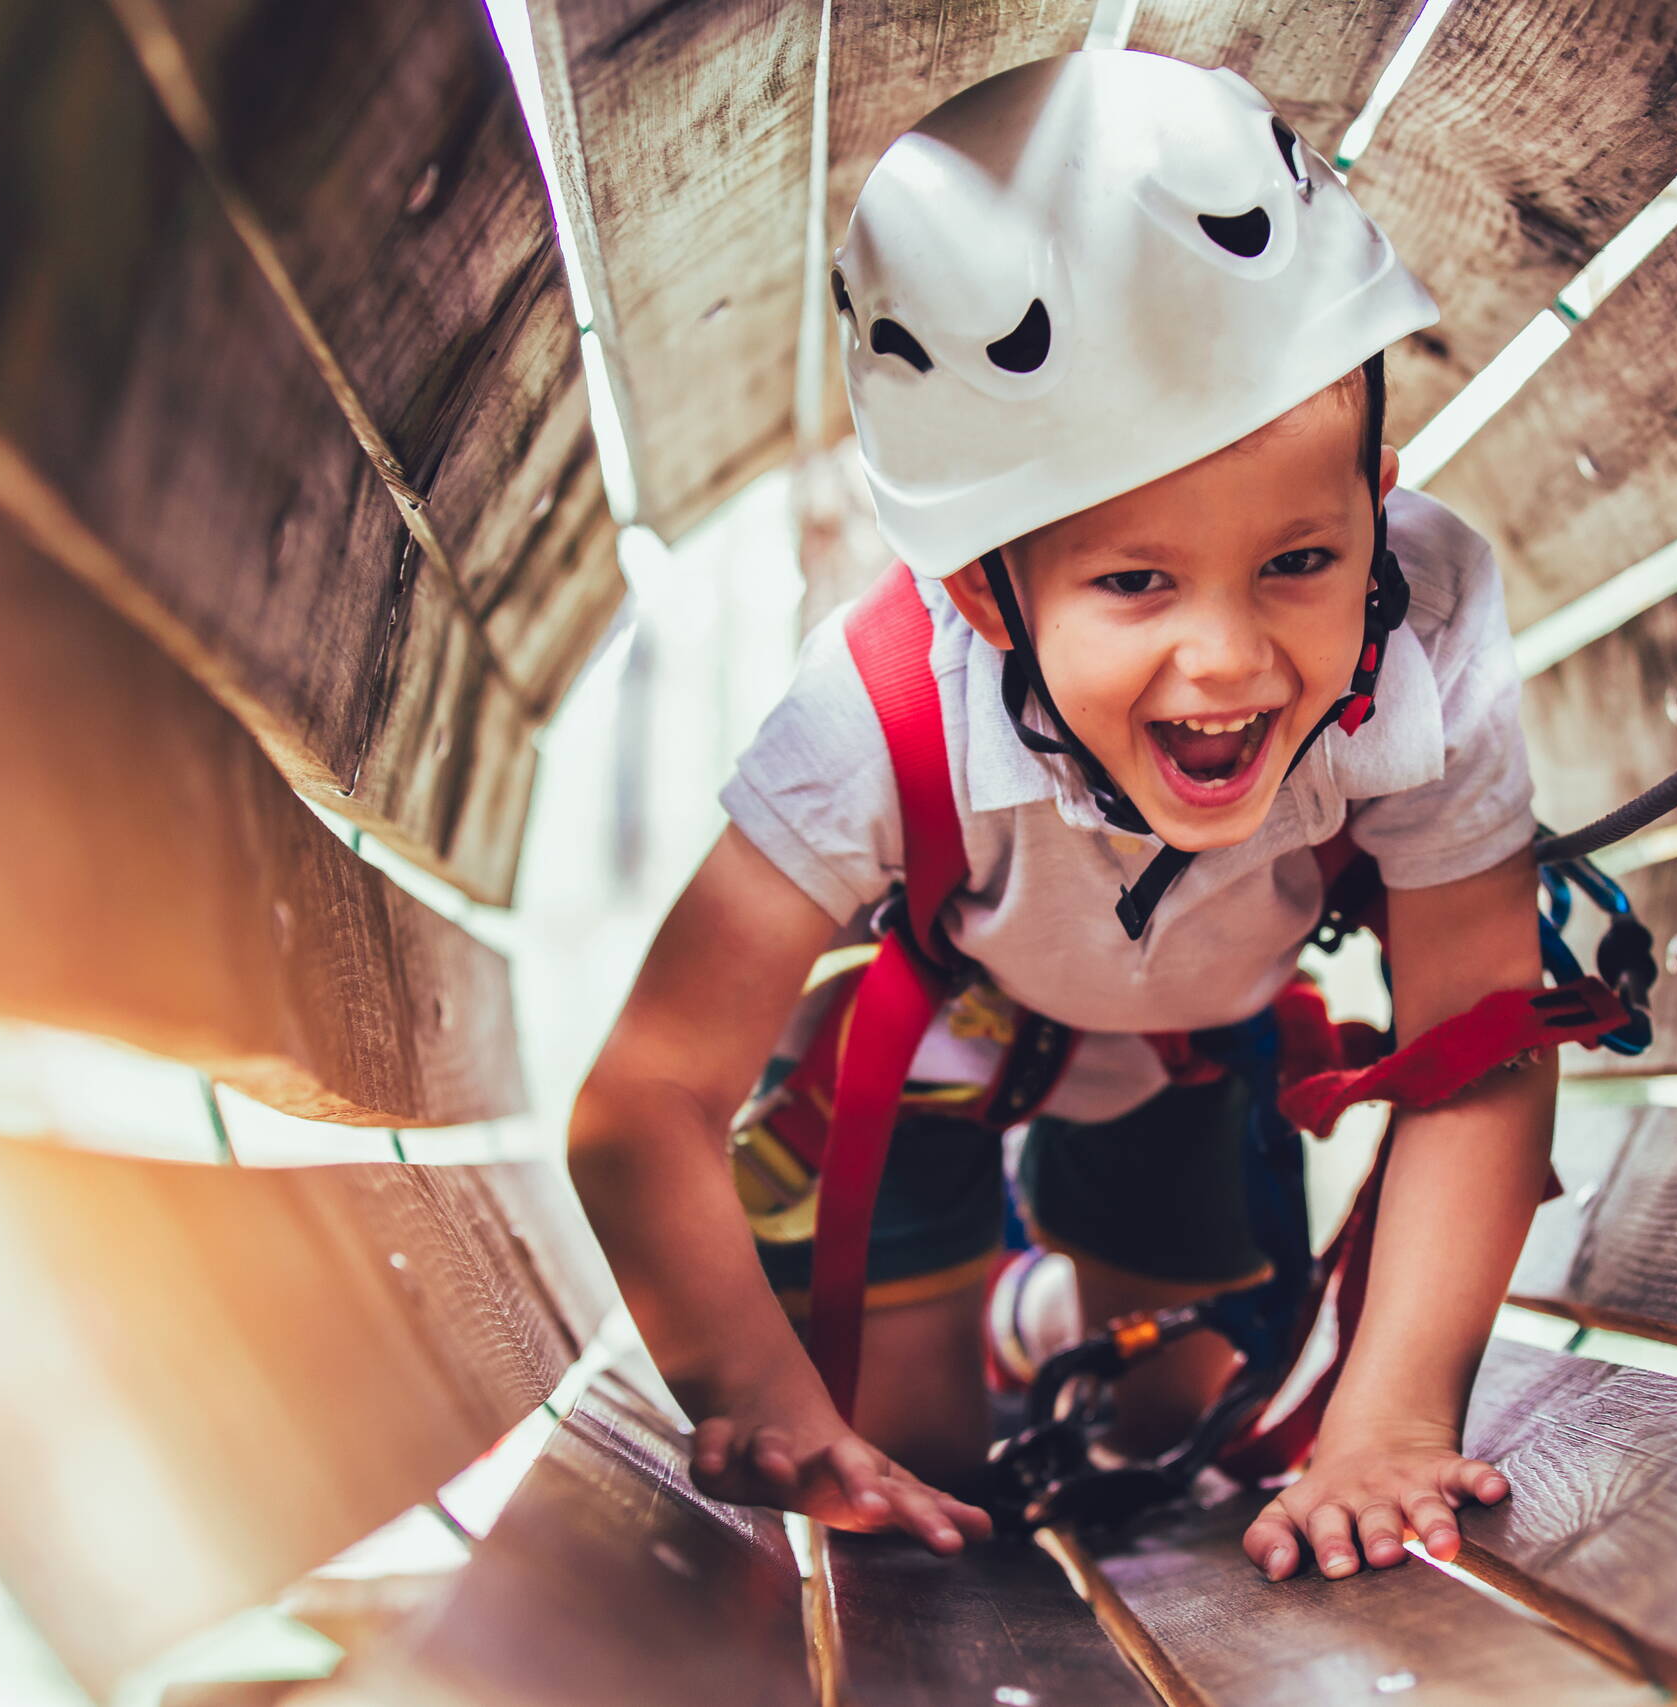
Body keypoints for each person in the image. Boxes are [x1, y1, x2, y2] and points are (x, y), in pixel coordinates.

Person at [567, 48, 1556, 1584]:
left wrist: (1387, 1421)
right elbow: (640, 1106)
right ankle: (979, 1290)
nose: (1228, 657)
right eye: (1135, 582)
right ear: (981, 588)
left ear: (1380, 495)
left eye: (1301, 559)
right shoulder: (881, 713)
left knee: (1168, 1407)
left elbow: (1477, 1042)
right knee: (921, 1473)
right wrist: (761, 1402)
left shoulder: (1418, 636)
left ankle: (1037, 1303)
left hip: (1187, 1035)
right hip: (934, 1044)